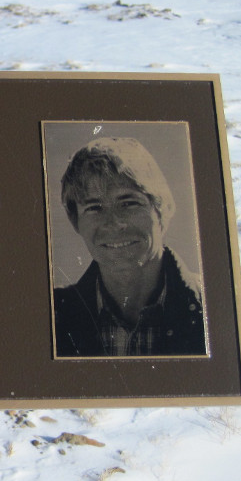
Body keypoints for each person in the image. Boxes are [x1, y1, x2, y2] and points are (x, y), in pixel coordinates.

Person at [53, 136, 206, 357]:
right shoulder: (53, 315)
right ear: (76, 222)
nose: (114, 222)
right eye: (94, 207)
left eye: (129, 203)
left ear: (161, 209)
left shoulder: (213, 309)